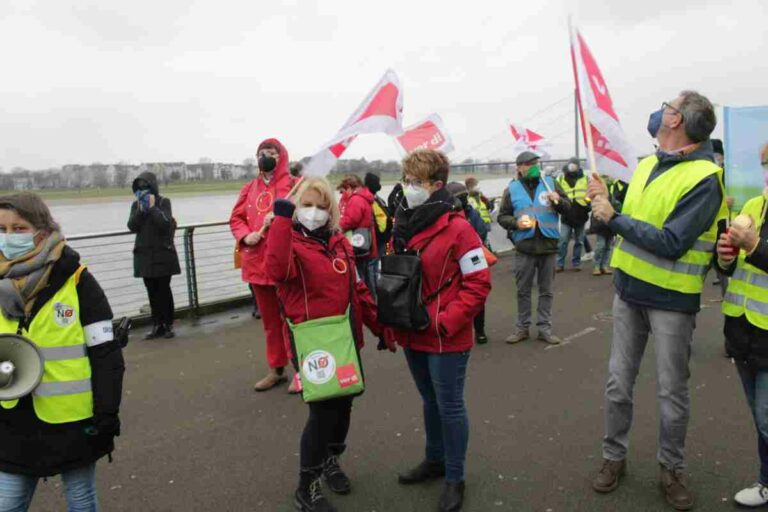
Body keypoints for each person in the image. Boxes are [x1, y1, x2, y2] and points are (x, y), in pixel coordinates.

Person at [588, 91, 728, 511]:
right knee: (617, 385)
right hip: (628, 293)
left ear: (675, 121)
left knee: (672, 393)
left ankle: (672, 468)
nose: (662, 108)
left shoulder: (706, 178)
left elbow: (670, 242)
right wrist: (602, 208)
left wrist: (616, 218)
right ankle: (614, 457)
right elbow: (625, 227)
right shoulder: (645, 165)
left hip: (671, 301)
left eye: (669, 104)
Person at [265, 178, 385, 512]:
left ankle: (331, 459)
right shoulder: (287, 242)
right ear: (296, 207)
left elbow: (358, 288)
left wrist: (379, 327)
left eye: (321, 206)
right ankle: (307, 485)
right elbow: (277, 270)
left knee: (345, 402)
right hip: (314, 343)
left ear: (331, 210)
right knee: (322, 412)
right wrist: (280, 220)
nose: (314, 213)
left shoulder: (338, 242)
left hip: (345, 339)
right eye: (307, 205)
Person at [0, 193, 124, 511]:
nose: (9, 237)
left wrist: (107, 412)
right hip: (11, 417)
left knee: (80, 498)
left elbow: (106, 353)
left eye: (18, 228)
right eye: (2, 229)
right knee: (8, 502)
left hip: (71, 418)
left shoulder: (77, 280)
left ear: (41, 230)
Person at [388, 150, 491, 512]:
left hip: (445, 335)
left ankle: (454, 476)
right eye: (406, 180)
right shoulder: (404, 223)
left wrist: (447, 320)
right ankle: (434, 460)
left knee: (449, 406)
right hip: (412, 331)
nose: (408, 188)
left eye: (415, 182)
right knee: (430, 401)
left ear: (436, 185)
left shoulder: (459, 228)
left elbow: (478, 284)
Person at [717, 143, 768, 507]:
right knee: (760, 417)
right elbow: (737, 267)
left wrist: (754, 246)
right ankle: (766, 482)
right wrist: (724, 259)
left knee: (767, 417)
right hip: (744, 328)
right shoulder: (754, 206)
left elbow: (756, 250)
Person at [230, 138, 299, 393]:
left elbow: (308, 216)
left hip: (285, 263)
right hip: (257, 264)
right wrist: (246, 234)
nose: (265, 156)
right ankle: (277, 369)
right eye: (261, 153)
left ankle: (301, 369)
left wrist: (282, 217)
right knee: (270, 321)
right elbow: (236, 218)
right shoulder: (249, 188)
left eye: (271, 152)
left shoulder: (294, 185)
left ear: (282, 156)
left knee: (292, 319)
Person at [497, 151, 573, 345]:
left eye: (536, 163)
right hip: (525, 248)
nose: (534, 167)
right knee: (523, 291)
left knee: (546, 291)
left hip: (548, 247)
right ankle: (522, 328)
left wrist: (559, 200)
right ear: (520, 167)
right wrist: (516, 223)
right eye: (530, 164)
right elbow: (502, 216)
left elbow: (567, 208)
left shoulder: (550, 183)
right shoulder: (512, 189)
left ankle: (544, 329)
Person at [127, 171, 180, 339]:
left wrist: (152, 209)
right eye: (140, 187)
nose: (143, 191)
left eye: (146, 186)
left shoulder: (164, 202)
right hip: (144, 256)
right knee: (151, 291)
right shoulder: (136, 206)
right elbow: (132, 226)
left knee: (164, 290)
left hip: (163, 255)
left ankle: (168, 324)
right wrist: (141, 211)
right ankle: (156, 324)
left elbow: (165, 224)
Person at [446, 182, 490, 344]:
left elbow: (482, 232)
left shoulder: (465, 214)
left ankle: (478, 330)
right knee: (468, 297)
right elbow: (482, 232)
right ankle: (474, 331)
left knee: (474, 295)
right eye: (460, 197)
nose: (463, 200)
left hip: (467, 259)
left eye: (464, 197)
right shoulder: (470, 213)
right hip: (461, 261)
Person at [337, 175, 378, 286]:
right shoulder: (363, 197)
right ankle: (372, 300)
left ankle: (365, 301)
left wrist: (335, 226)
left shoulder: (356, 199)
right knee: (369, 277)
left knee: (361, 278)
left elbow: (350, 220)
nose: (344, 194)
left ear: (349, 187)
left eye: (344, 190)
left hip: (358, 244)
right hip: (366, 243)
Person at [556, 157, 590, 272]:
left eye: (574, 164)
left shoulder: (585, 178)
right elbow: (556, 194)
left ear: (578, 166)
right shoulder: (561, 179)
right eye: (570, 164)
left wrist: (588, 204)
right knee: (563, 240)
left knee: (579, 241)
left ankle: (576, 263)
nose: (572, 166)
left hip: (581, 215)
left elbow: (590, 194)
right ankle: (559, 263)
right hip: (566, 215)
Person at [588, 177, 625, 276]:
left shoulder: (612, 195)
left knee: (608, 247)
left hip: (610, 225)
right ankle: (597, 266)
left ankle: (604, 266)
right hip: (601, 225)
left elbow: (617, 206)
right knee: (601, 246)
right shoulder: (596, 195)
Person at [364, 172, 393, 298]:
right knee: (373, 265)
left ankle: (377, 289)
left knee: (377, 265)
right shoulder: (369, 199)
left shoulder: (376, 198)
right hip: (375, 238)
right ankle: (374, 292)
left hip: (381, 238)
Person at [464, 176, 493, 245]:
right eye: (475, 185)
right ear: (469, 187)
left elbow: (489, 207)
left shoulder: (481, 196)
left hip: (485, 223)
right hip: (476, 225)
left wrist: (488, 202)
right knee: (480, 243)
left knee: (485, 242)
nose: (477, 187)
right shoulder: (467, 198)